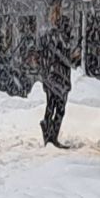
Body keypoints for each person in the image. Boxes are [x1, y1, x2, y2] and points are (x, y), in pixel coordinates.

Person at [27, 10, 79, 148]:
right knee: (60, 109)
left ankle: (48, 130)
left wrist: (45, 68)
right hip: (60, 79)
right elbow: (67, 60)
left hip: (49, 77)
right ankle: (52, 135)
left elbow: (38, 54)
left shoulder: (47, 37)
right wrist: (73, 58)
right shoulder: (63, 40)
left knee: (51, 105)